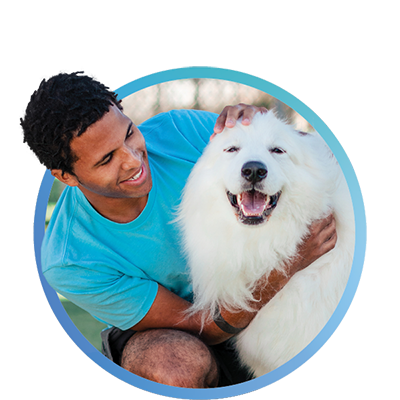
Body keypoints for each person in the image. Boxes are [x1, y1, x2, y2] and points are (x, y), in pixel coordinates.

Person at [19, 69, 337, 388]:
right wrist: (290, 264)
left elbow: (301, 160)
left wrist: (256, 128)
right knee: (173, 366)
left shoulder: (181, 131)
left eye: (129, 133)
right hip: (188, 330)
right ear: (66, 177)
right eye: (106, 160)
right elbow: (203, 326)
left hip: (269, 304)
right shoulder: (71, 260)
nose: (132, 161)